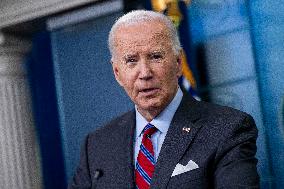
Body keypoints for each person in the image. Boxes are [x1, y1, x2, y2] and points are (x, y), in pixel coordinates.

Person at [69, 10, 259, 189]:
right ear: (117, 73)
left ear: (178, 63)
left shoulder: (227, 128)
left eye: (155, 56)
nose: (144, 73)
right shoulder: (96, 144)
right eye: (131, 60)